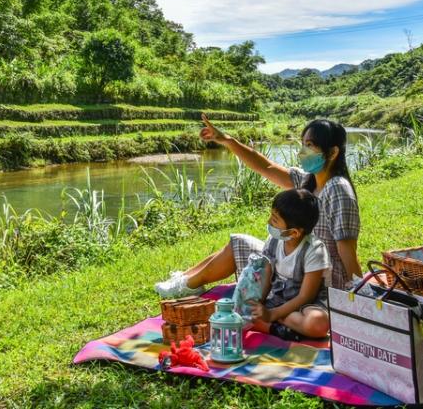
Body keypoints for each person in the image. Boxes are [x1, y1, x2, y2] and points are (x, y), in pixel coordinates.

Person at [155, 117, 361, 337]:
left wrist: (358, 299)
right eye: (303, 144)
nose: (302, 151)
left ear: (332, 152)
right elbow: (266, 166)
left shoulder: (338, 190)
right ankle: (185, 280)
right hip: (290, 263)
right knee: (238, 242)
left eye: (309, 145)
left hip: (315, 279)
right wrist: (227, 140)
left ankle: (189, 286)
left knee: (243, 249)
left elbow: (347, 251)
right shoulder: (308, 182)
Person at [245, 188, 330, 339]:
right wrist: (260, 302)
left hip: (306, 305)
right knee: (245, 311)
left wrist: (272, 314)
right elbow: (267, 275)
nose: (269, 222)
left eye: (275, 220)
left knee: (318, 324)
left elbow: (306, 296)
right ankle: (278, 330)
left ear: (294, 233)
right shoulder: (273, 241)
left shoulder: (315, 250)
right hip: (279, 299)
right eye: (271, 216)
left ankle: (273, 323)